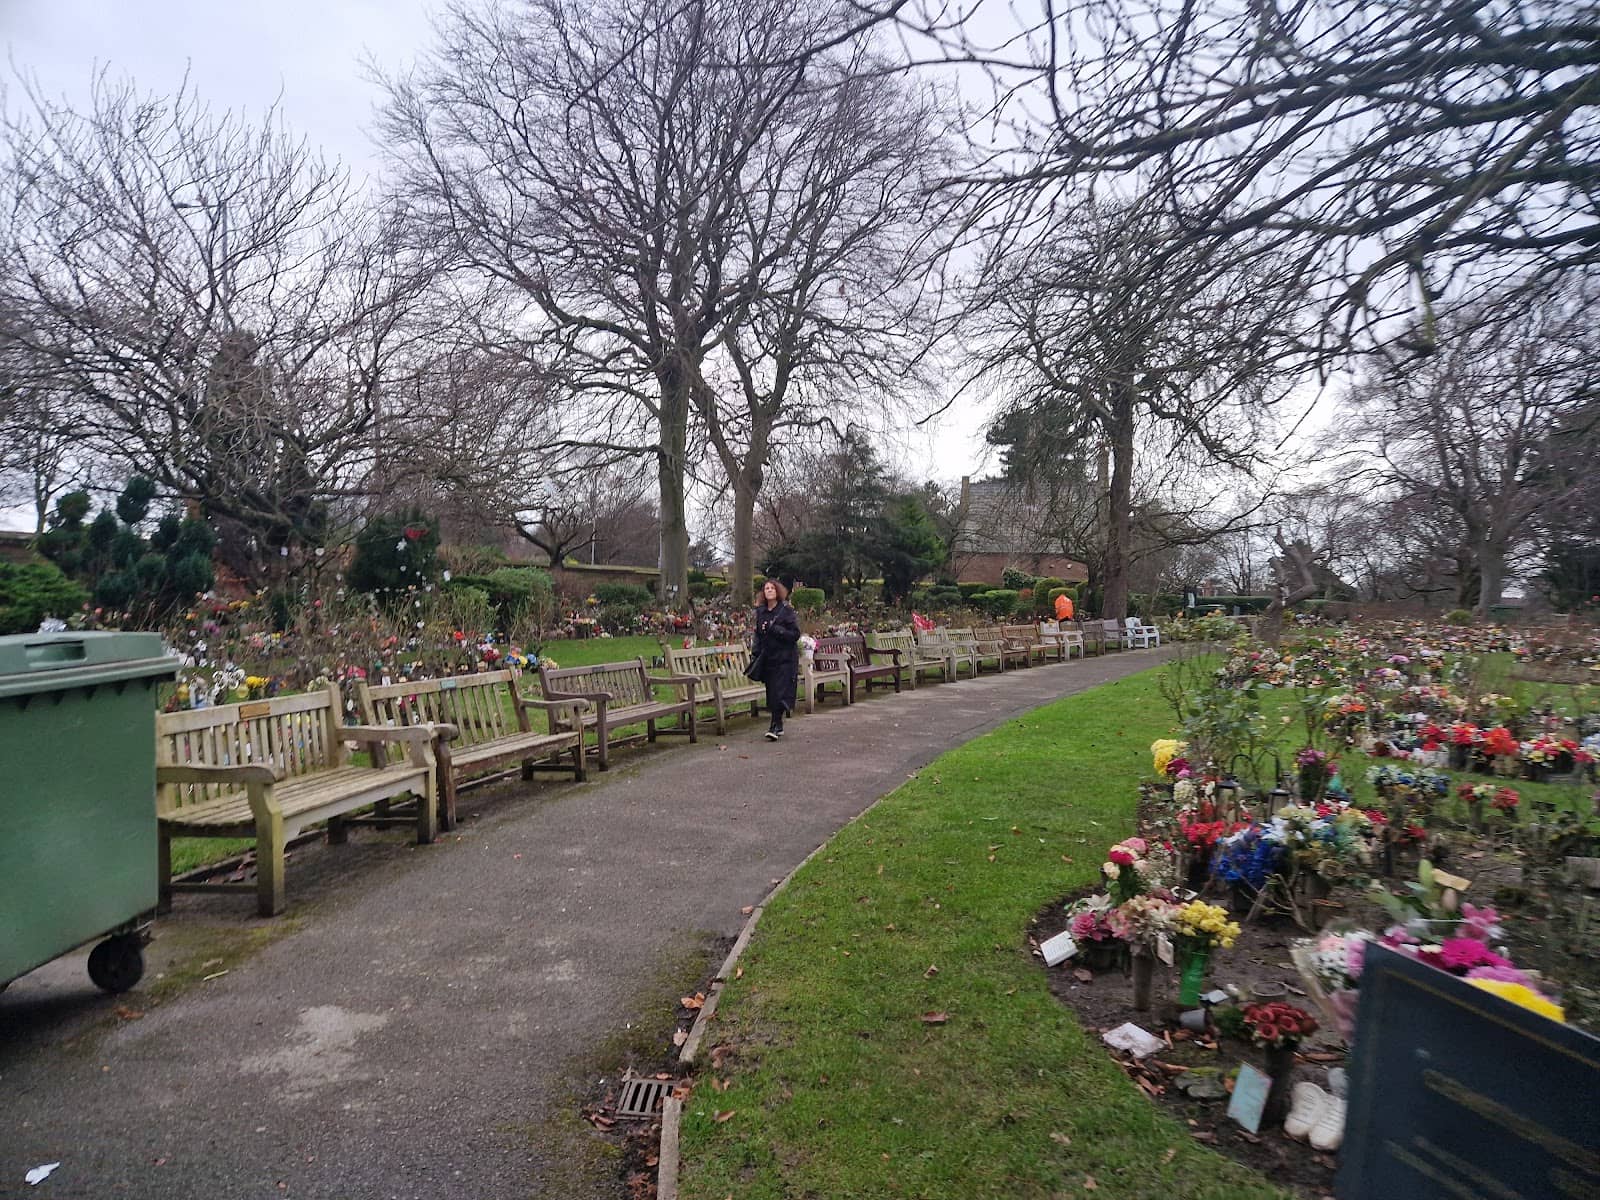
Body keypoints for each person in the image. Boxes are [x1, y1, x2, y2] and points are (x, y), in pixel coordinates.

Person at [752, 577, 800, 740]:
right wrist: (756, 651)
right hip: (768, 658)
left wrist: (777, 630)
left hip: (785, 658)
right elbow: (758, 634)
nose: (769, 591)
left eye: (772, 588)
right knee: (772, 692)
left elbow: (795, 634)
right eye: (766, 588)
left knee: (780, 692)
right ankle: (778, 724)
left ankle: (774, 726)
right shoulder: (761, 612)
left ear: (777, 591)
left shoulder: (786, 611)